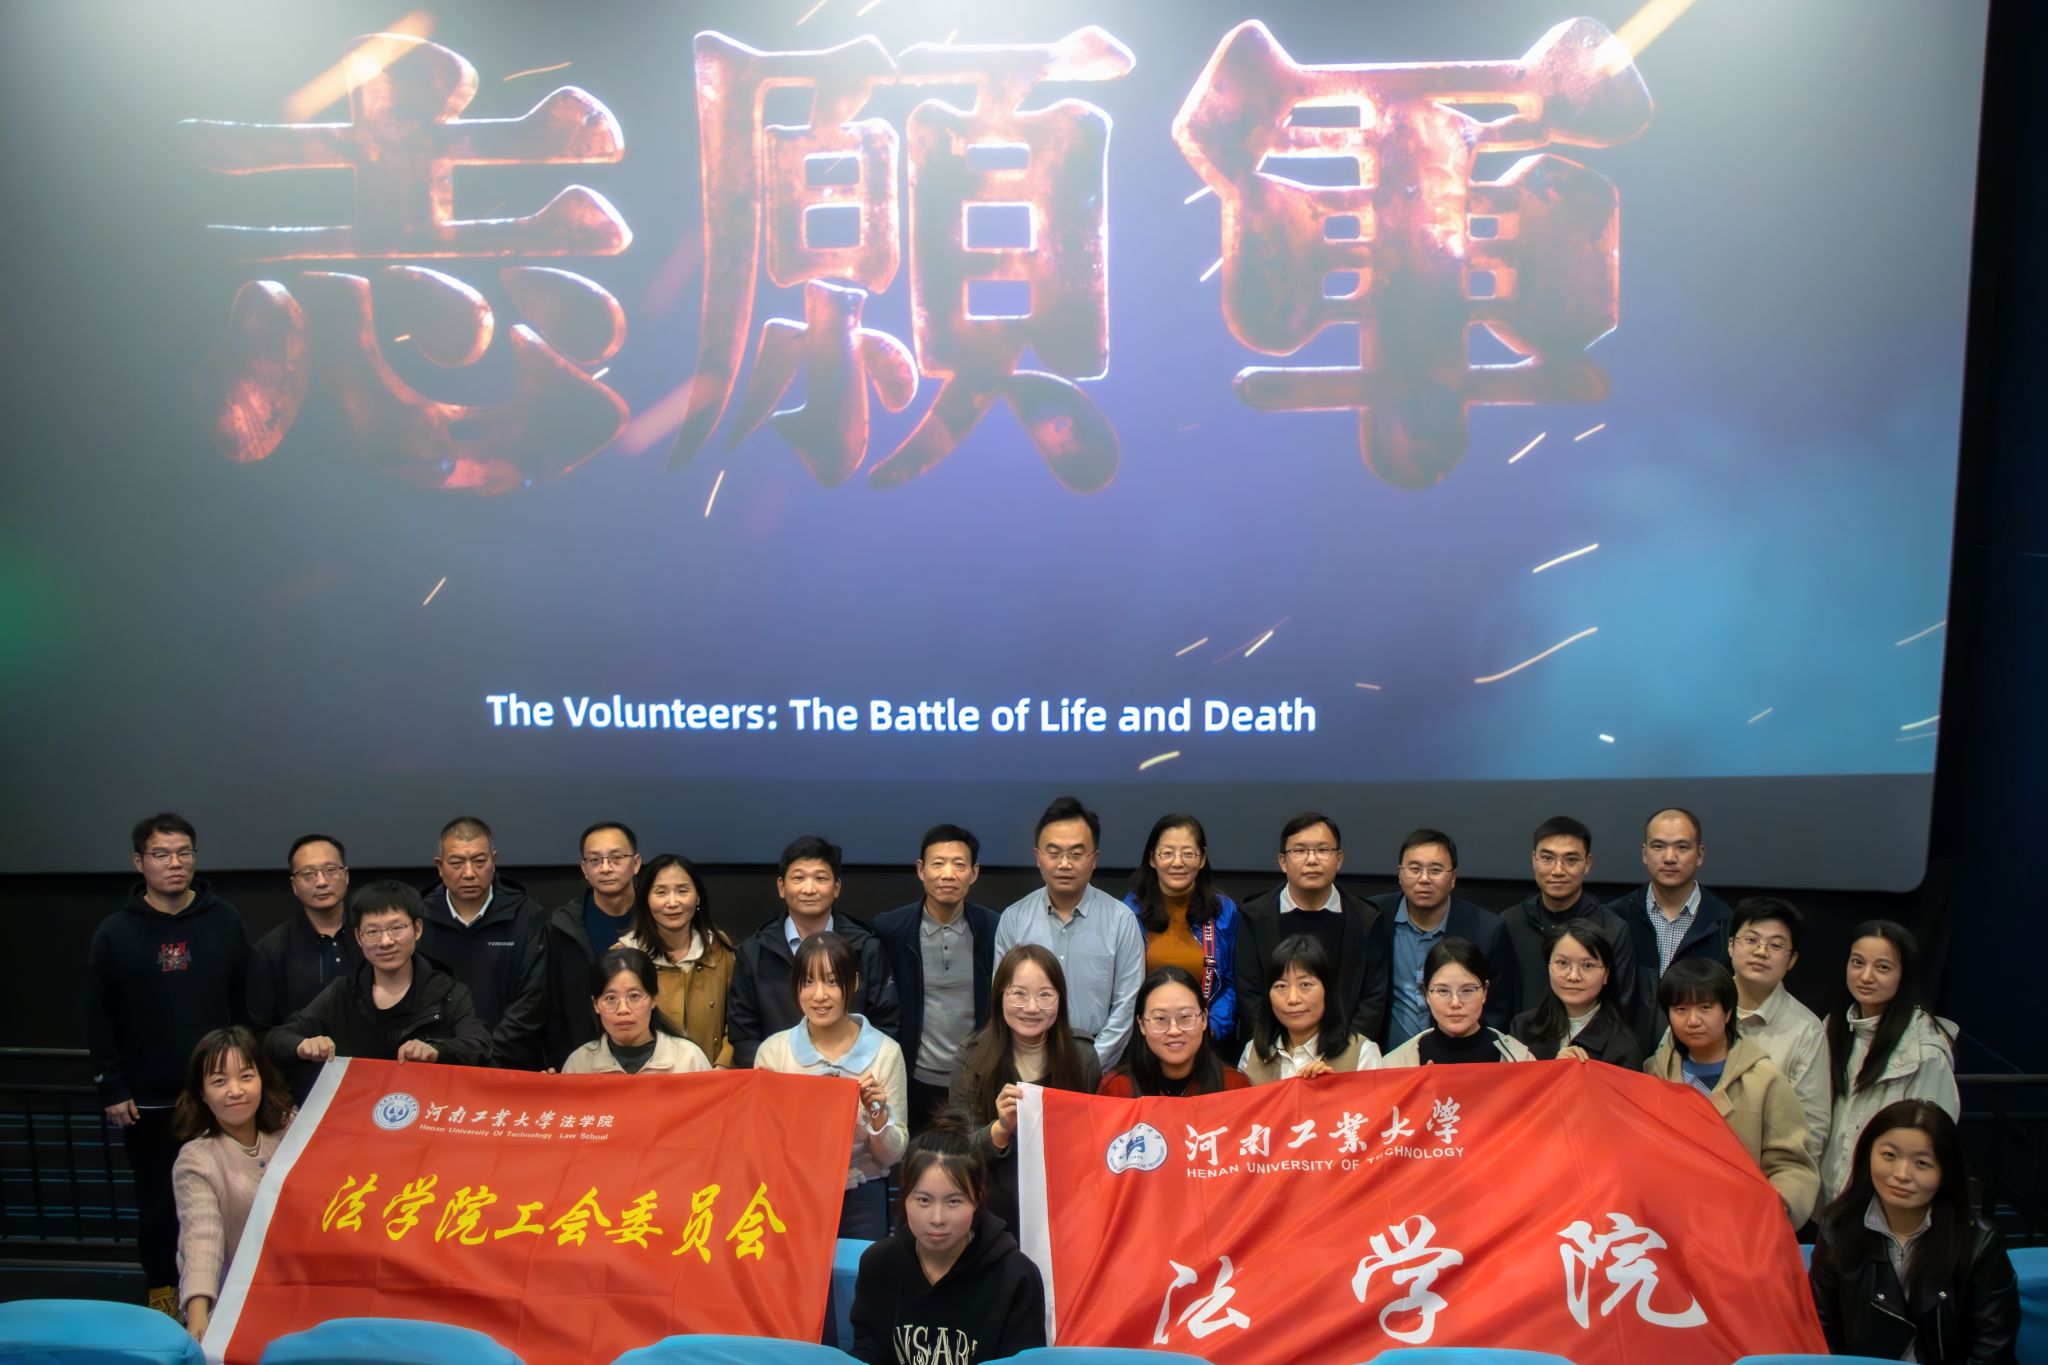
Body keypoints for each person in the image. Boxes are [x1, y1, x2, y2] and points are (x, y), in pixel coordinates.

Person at [87, 813, 253, 1318]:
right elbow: (97, 1015)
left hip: (223, 1095)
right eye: (161, 854)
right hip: (149, 1100)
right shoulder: (115, 932)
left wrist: (248, 1075)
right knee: (159, 1202)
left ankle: (235, 1291)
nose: (174, 863)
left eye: (184, 853)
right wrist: (113, 1087)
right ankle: (162, 1290)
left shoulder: (224, 919)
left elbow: (246, 1002)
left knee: (232, 1196)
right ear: (139, 862)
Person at [1809, 1100, 2020, 1364]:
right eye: (1889, 1155)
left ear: (1945, 1173)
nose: (1901, 1174)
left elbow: (1992, 1348)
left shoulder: (1979, 1244)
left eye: (1921, 1163)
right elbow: (1823, 1334)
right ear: (1867, 1156)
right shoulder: (1837, 1230)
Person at [849, 1120, 1048, 1365]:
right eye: (923, 1200)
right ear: (904, 1198)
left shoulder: (1016, 1275)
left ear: (977, 1200)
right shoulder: (879, 1264)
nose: (937, 1218)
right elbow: (868, 1349)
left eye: (954, 1202)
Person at [753, 933, 907, 1239]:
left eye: (832, 982)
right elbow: (759, 1142)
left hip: (862, 1197)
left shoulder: (886, 1052)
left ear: (854, 982)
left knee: (856, 1270)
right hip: (790, 1195)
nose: (819, 995)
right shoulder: (774, 1052)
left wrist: (878, 1115)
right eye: (808, 982)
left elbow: (892, 1156)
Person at [1643, 959, 1818, 1224]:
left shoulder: (1764, 1079)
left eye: (1705, 1007)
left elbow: (1792, 1164)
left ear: (1727, 1013)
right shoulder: (1654, 1072)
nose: (1693, 1020)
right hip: (1669, 1221)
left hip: (1739, 1223)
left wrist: (1779, 1206)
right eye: (1680, 1009)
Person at [948, 945, 1102, 1232]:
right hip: (991, 1213)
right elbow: (957, 1153)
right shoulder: (972, 1056)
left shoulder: (1082, 1057)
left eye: (1045, 995)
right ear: (1000, 996)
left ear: (1060, 999)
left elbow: (1096, 1144)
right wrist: (1000, 1129)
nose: (1031, 1007)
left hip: (1065, 1211)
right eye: (1019, 994)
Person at [266, 882, 493, 1069]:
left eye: (396, 928)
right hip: (361, 1103)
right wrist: (302, 1045)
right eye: (373, 931)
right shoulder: (344, 991)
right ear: (359, 937)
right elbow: (277, 1039)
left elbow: (480, 1046)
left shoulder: (448, 992)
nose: (385, 941)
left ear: (417, 929)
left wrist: (436, 1049)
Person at [992, 796, 1146, 1067]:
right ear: (1038, 857)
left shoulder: (1121, 920)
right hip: (1026, 1060)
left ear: (1094, 859)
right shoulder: (1013, 918)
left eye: (1076, 854)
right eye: (1054, 853)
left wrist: (1090, 1065)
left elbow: (1127, 1006)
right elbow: (1003, 997)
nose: (1064, 864)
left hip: (1098, 1062)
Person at [1820, 920, 1960, 1203]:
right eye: (1857, 962)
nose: (1866, 976)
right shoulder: (1832, 1027)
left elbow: (1932, 1145)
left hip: (1884, 1201)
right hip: (1826, 1200)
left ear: (1904, 975)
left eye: (1882, 967)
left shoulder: (1925, 1052)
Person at [170, 1026, 295, 1343]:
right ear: (201, 1093)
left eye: (246, 1076)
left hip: (299, 1291)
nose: (235, 1090)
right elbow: (202, 1237)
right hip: (239, 1302)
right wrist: (199, 1315)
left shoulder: (291, 1128)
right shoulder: (197, 1160)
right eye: (219, 1081)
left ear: (262, 1078)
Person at [730, 836, 899, 1067]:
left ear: (836, 887)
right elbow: (743, 1035)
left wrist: (851, 1073)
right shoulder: (754, 951)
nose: (809, 889)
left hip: (851, 1078)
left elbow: (885, 1024)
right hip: (777, 1078)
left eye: (820, 878)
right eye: (798, 878)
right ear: (781, 887)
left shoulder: (865, 947)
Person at [873, 825, 999, 1132]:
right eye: (938, 863)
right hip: (913, 1078)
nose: (948, 874)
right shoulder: (891, 930)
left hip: (977, 1079)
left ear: (974, 872)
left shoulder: (995, 929)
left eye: (959, 864)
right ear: (921, 869)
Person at [1362, 830, 1518, 1049]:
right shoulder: (1373, 916)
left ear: (1453, 878)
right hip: (1384, 1057)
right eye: (1415, 869)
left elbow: (1498, 1011)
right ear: (1400, 874)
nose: (1424, 879)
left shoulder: (1486, 930)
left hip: (1460, 1058)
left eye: (1435, 870)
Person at [1233, 812, 1380, 1039]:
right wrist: (1279, 1050)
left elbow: (1373, 998)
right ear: (1283, 861)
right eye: (1300, 851)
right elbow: (1249, 996)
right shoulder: (1254, 917)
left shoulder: (1366, 919)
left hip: (1346, 1051)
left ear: (1339, 859)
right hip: (1272, 1050)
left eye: (1323, 850)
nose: (1312, 860)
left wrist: (1345, 1050)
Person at [417, 816, 548, 1068]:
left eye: (479, 861)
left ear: (494, 861)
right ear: (439, 866)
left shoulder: (526, 915)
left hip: (509, 1062)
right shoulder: (418, 918)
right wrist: (445, 1051)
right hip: (437, 1063)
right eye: (456, 863)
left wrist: (488, 1054)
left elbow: (533, 998)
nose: (469, 873)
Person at [249, 833, 359, 1101]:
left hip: (374, 1078)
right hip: (304, 1089)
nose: (321, 881)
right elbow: (260, 1033)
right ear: (294, 885)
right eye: (308, 874)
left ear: (345, 875)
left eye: (330, 870)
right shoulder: (271, 949)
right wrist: (297, 1046)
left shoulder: (375, 936)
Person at [1502, 816, 1640, 1028]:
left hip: (1589, 1047)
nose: (1558, 870)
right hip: (1518, 1044)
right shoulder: (1510, 923)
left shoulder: (1611, 929)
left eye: (1571, 859)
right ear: (1534, 860)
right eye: (1547, 858)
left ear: (1588, 863)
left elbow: (1621, 1008)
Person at [1607, 807, 1731, 1042]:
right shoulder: (1614, 918)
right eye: (1658, 846)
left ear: (1700, 855)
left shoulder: (1725, 925)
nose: (1670, 858)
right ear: (1645, 853)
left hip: (1693, 1057)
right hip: (1623, 1053)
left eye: (1682, 847)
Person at [1124, 813, 1241, 1060]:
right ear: (1152, 859)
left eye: (1188, 853)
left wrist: (1209, 1030)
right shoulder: (1128, 911)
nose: (1178, 862)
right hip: (1143, 1042)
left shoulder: (1224, 911)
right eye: (1167, 853)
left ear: (1202, 859)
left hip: (1207, 1044)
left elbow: (1232, 983)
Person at [1728, 896, 1830, 1170]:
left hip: (1763, 1177)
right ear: (1731, 945)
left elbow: (1811, 1128)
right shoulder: (1697, 1006)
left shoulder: (1806, 1031)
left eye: (1775, 945)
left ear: (1792, 959)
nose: (1761, 951)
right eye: (1751, 940)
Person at [616, 854, 737, 1066]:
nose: (673, 902)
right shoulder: (623, 957)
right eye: (661, 892)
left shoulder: (719, 949)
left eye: (682, 891)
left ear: (698, 897)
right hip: (649, 1078)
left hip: (713, 1076)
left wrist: (722, 1066)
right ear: (645, 899)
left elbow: (739, 1019)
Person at [540, 821, 644, 1069]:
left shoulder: (658, 918)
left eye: (616, 858)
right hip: (581, 1064)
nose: (606, 868)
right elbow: (551, 1007)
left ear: (636, 863)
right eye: (595, 860)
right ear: (584, 869)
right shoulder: (563, 927)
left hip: (654, 1062)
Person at [1238, 935, 1381, 1083]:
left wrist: (1331, 1090)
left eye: (1305, 985)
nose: (1293, 999)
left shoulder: (1362, 1053)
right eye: (1281, 986)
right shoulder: (1252, 1053)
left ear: (1327, 990)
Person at [1097, 966, 1251, 1098]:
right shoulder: (1118, 1088)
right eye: (1160, 1018)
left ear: (1204, 1019)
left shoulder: (1234, 1086)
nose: (1174, 1030)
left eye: (1185, 1017)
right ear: (1142, 1024)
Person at [1509, 921, 1644, 1069]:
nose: (1573, 976)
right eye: (1562, 963)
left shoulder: (1623, 1046)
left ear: (1606, 974)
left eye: (1587, 965)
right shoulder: (1523, 1026)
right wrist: (1553, 1070)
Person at [1381, 939, 1536, 1067]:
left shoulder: (1520, 1060)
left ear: (1485, 991)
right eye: (1443, 991)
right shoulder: (1394, 1065)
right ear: (1426, 993)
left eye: (1467, 990)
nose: (1455, 1003)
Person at [560, 947, 712, 1075]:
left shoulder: (688, 1059)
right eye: (611, 998)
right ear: (595, 1004)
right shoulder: (579, 1064)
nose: (623, 1010)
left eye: (634, 996)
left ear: (654, 999)